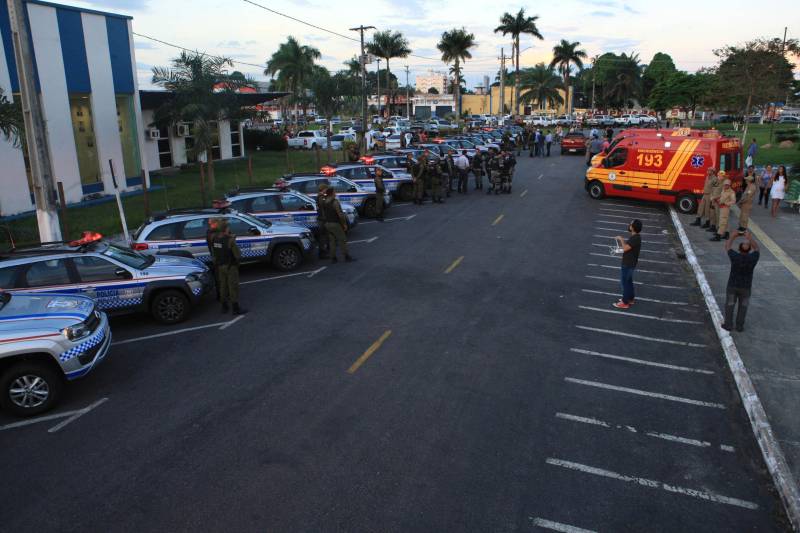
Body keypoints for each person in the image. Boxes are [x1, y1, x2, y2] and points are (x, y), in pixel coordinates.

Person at [722, 231, 760, 332]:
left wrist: (733, 236)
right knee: (743, 307)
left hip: (732, 286)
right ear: (749, 250)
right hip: (746, 288)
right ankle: (739, 326)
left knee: (730, 305)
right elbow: (757, 248)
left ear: (738, 249)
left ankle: (728, 324)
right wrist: (750, 238)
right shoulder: (753, 258)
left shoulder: (735, 257)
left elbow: (728, 246)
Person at [211, 219, 246, 315]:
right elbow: (238, 255)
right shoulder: (230, 241)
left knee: (223, 286)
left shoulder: (214, 238)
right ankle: (235, 308)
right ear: (226, 229)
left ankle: (224, 306)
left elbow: (214, 253)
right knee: (233, 286)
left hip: (220, 266)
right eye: (228, 227)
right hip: (230, 266)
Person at [612, 219, 642, 309]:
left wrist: (621, 239)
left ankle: (625, 302)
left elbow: (625, 248)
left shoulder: (635, 238)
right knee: (629, 282)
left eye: (631, 224)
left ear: (633, 227)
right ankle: (630, 299)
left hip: (628, 264)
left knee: (624, 283)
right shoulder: (636, 237)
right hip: (630, 264)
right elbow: (628, 249)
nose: (629, 225)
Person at [321, 188, 354, 263]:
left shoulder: (324, 202)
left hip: (327, 223)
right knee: (342, 239)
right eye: (334, 192)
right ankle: (346, 256)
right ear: (332, 193)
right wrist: (344, 224)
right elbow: (340, 214)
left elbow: (323, 214)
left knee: (332, 241)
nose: (335, 193)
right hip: (335, 223)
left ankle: (333, 258)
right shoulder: (335, 202)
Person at [205, 217, 221, 300]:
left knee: (218, 277)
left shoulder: (209, 232)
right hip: (219, 258)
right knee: (220, 278)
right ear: (215, 223)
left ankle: (220, 294)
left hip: (215, 257)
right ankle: (221, 295)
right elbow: (218, 246)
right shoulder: (215, 234)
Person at [707, 170, 725, 235]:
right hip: (713, 201)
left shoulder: (724, 184)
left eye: (721, 176)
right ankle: (713, 226)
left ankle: (718, 229)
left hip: (718, 201)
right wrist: (712, 197)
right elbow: (712, 190)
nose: (719, 177)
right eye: (718, 175)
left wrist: (715, 198)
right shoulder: (716, 182)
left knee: (718, 216)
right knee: (712, 215)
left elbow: (723, 194)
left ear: (723, 177)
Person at [316, 183, 330, 258]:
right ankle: (322, 253)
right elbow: (323, 205)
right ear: (323, 189)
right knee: (323, 237)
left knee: (325, 236)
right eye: (326, 189)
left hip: (322, 219)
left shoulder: (321, 196)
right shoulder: (321, 197)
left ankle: (325, 251)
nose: (326, 190)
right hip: (322, 220)